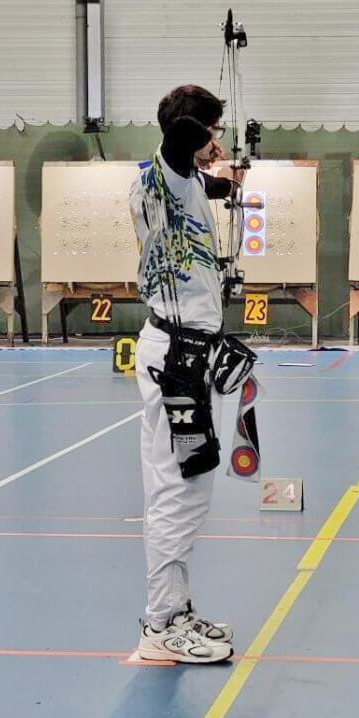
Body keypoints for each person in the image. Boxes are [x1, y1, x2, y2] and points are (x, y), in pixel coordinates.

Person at [130, 84, 243, 663]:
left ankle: (174, 611)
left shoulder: (180, 180)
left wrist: (222, 181)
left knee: (177, 490)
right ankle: (161, 625)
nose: (216, 143)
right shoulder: (167, 170)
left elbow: (199, 181)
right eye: (213, 131)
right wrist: (202, 137)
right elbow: (181, 141)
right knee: (182, 491)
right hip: (178, 358)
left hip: (181, 353)